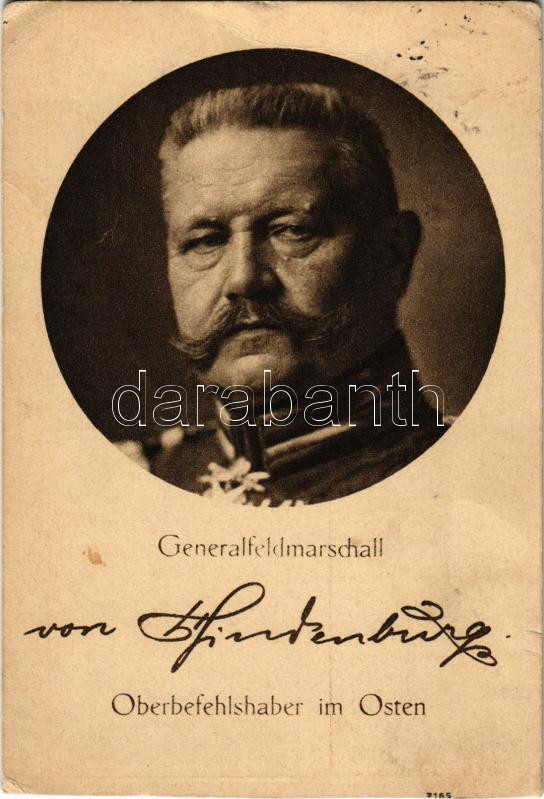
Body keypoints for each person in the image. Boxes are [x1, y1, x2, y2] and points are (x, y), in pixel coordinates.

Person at [120, 82, 450, 505]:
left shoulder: (469, 486)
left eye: (293, 231)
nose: (243, 279)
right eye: (205, 241)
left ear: (393, 255)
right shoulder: (135, 485)